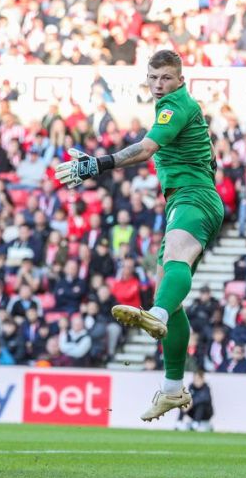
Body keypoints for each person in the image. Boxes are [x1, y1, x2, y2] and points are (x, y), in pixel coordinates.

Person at [56, 49, 224, 421]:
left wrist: (98, 163)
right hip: (184, 198)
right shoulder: (178, 107)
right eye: (153, 78)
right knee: (170, 290)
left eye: (166, 78)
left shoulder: (174, 106)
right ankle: (172, 389)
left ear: (180, 80)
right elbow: (204, 154)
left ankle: (155, 315)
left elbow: (146, 150)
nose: (158, 85)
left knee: (174, 263)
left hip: (194, 196)